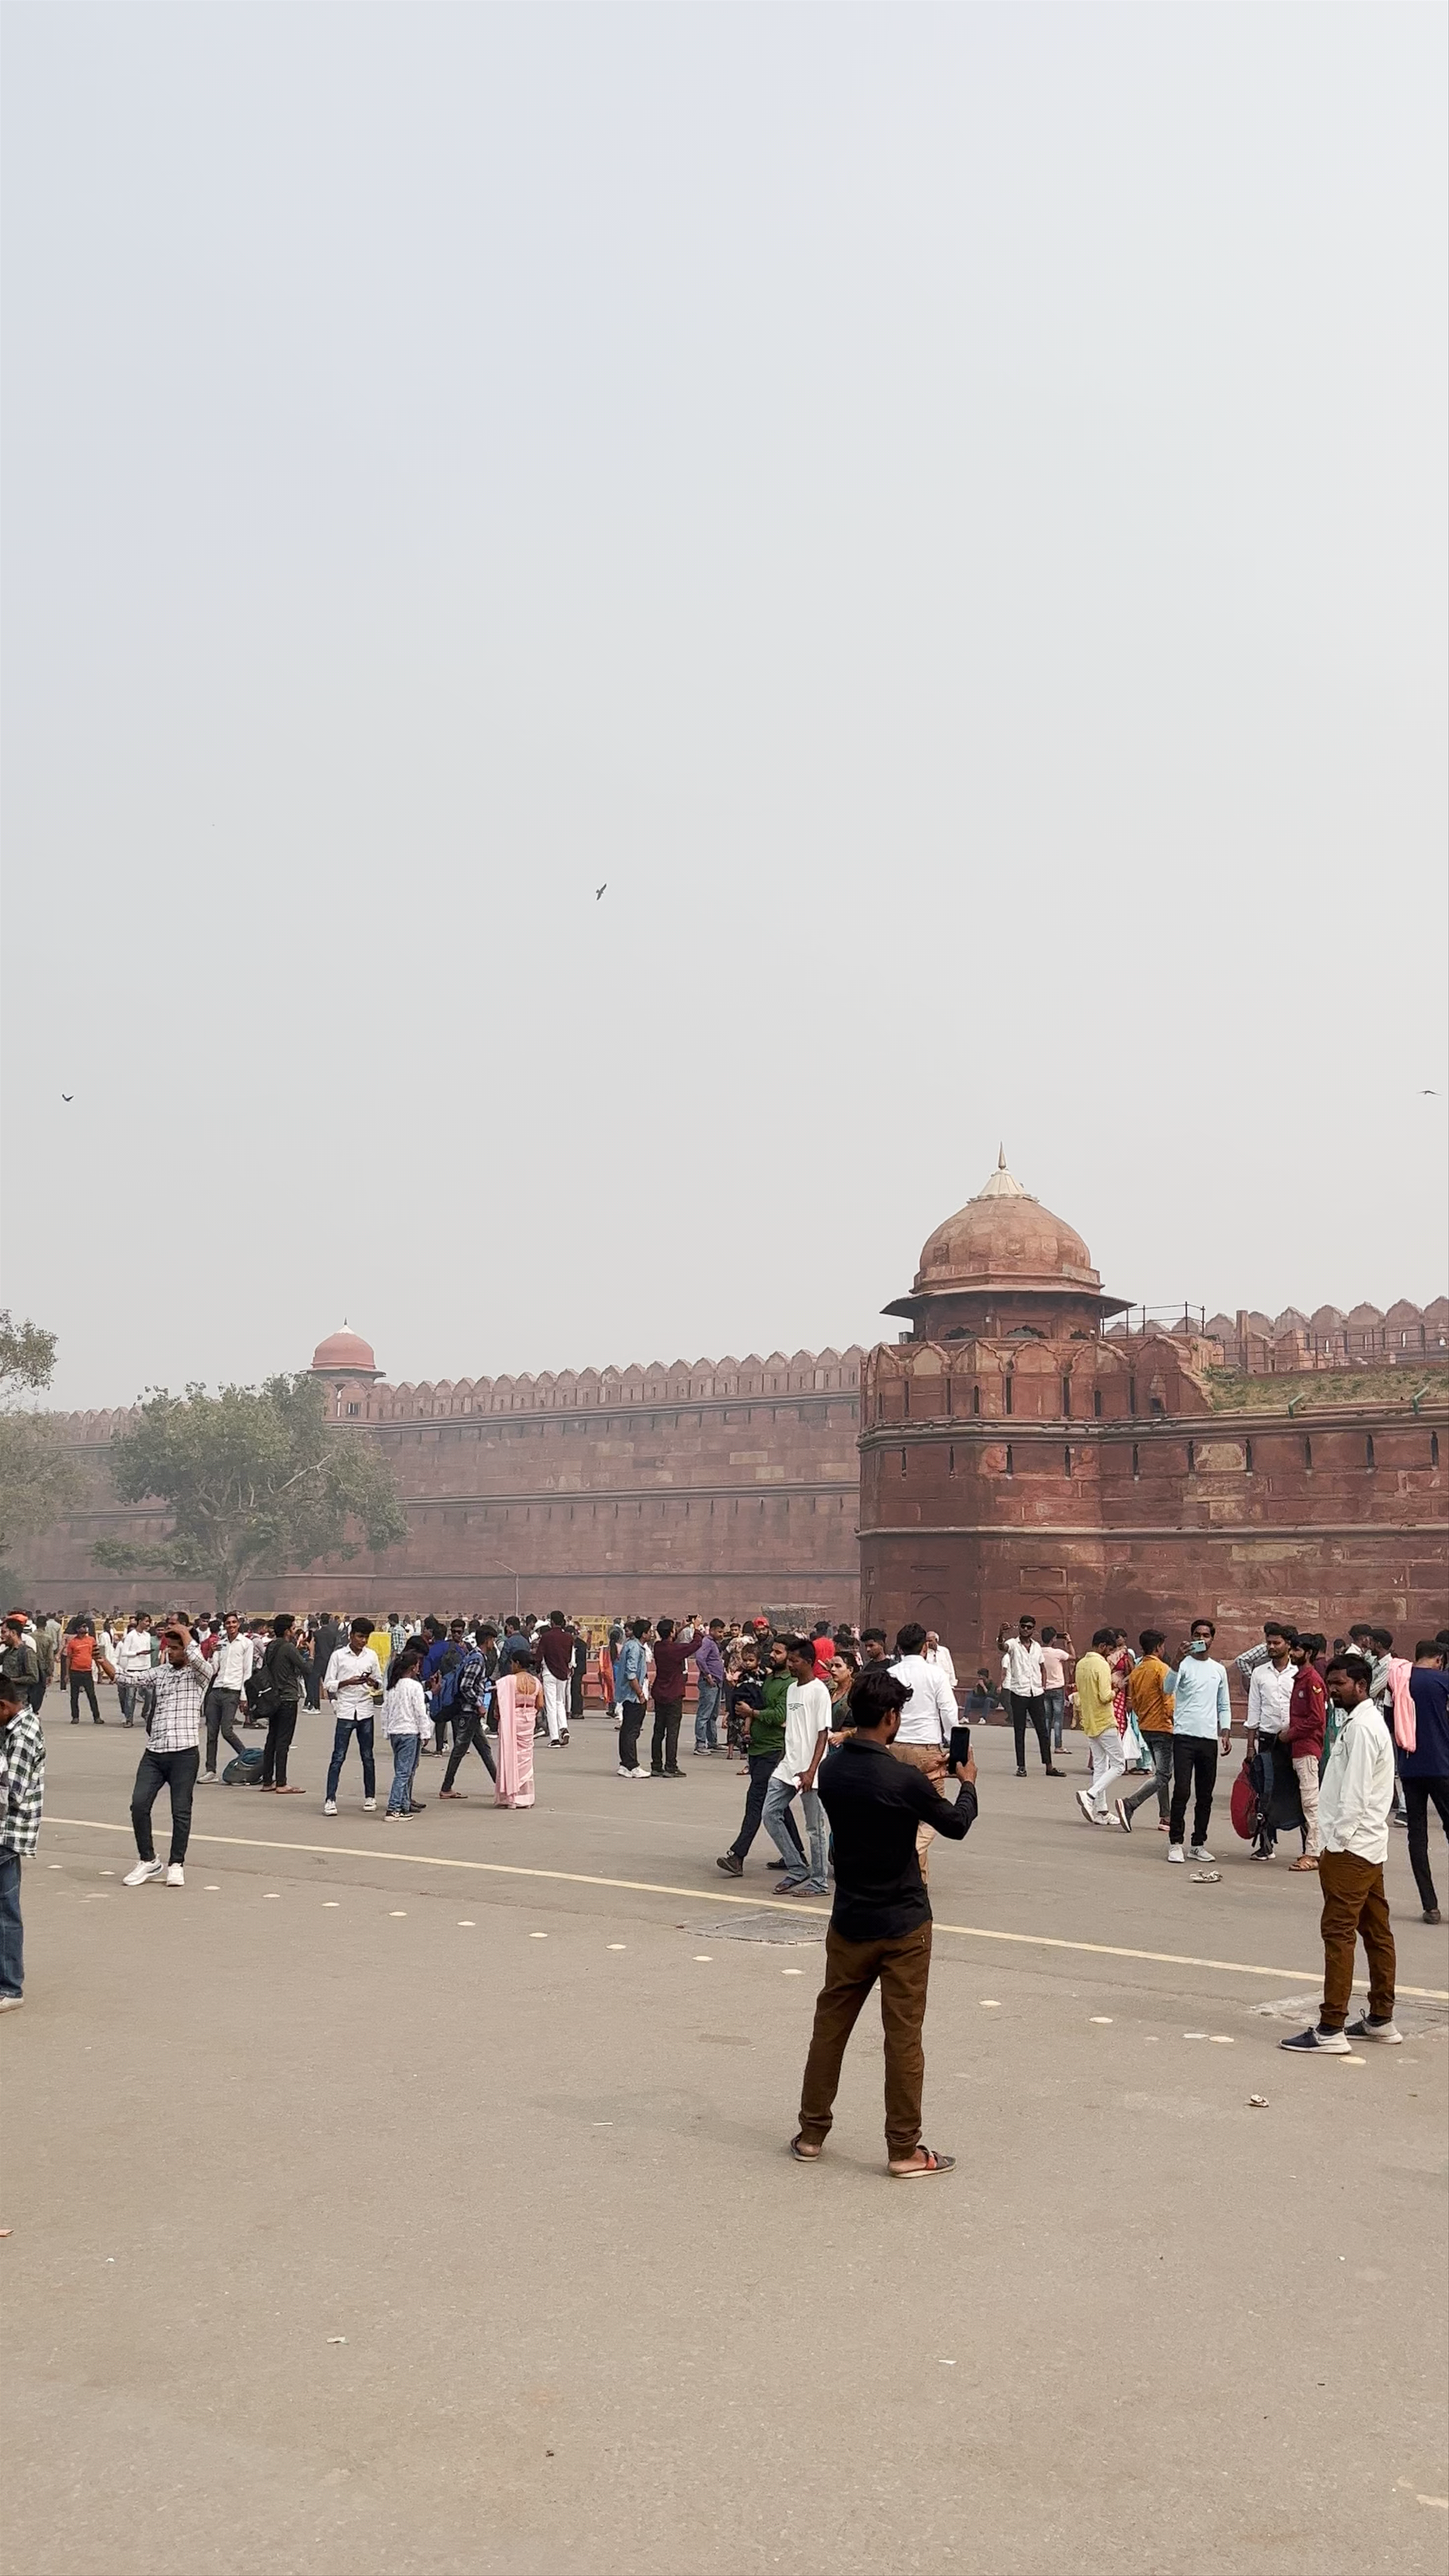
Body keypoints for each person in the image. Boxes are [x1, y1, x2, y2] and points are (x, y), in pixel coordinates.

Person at [790, 1662, 977, 2178]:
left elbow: (873, 1777)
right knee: (903, 2037)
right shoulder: (906, 1781)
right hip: (903, 1922)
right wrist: (966, 1783)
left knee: (831, 2026)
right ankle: (904, 2147)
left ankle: (811, 2132)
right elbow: (955, 1824)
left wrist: (920, 1778)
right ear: (893, 1717)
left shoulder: (833, 1769)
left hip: (851, 1916)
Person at [1281, 1654, 1400, 2053]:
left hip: (1352, 1847)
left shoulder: (1364, 1728)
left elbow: (1356, 1794)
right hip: (1366, 1845)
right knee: (1375, 1929)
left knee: (1339, 1932)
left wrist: (1337, 1842)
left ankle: (1331, 2027)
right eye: (1331, 1682)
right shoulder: (1359, 1723)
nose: (1332, 1689)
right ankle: (1382, 2016)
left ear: (1362, 1686)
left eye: (1340, 1683)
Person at [122, 1619, 212, 1888]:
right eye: (169, 1647)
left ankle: (177, 1863)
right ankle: (148, 1859)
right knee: (139, 1804)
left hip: (184, 1752)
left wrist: (185, 1633)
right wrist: (103, 1662)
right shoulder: (161, 1672)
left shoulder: (199, 1675)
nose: (170, 1652)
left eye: (175, 1648)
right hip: (155, 1752)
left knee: (180, 1811)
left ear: (186, 1648)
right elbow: (131, 1679)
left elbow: (200, 1661)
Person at [716, 1638, 806, 1878]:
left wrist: (752, 1713)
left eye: (778, 1652)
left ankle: (738, 1856)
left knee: (756, 1802)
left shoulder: (790, 1685)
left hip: (772, 1750)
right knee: (778, 1805)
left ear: (790, 1657)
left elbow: (779, 1715)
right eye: (773, 1651)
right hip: (757, 1749)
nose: (773, 1655)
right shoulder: (768, 1680)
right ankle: (796, 1854)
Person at [769, 1638, 833, 1896]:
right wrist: (785, 1758)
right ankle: (797, 1868)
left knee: (814, 1827)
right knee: (770, 1814)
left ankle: (819, 1881)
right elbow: (793, 1729)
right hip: (789, 1766)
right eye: (790, 1660)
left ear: (809, 1661)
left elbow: (822, 1733)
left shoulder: (819, 1691)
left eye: (795, 1660)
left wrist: (812, 1770)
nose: (791, 1664)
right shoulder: (793, 1690)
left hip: (811, 1770)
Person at [1166, 1619, 1232, 1863]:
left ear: (1213, 1639)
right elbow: (1167, 1689)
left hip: (1207, 1738)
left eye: (1206, 1634)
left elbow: (1223, 1703)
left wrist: (1225, 1728)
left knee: (1206, 1794)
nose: (1201, 1638)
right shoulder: (1184, 1664)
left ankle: (1198, 1843)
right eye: (1197, 1634)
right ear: (1191, 1637)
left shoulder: (1218, 1669)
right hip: (1184, 1735)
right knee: (1182, 1790)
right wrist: (1175, 1662)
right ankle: (1175, 1842)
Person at [0, 1672, 45, 2010]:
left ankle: (10, 1987)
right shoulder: (15, 1726)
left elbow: (10, 1792)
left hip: (7, 1832)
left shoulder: (23, 1734)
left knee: (6, 1913)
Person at [1401, 1641, 1449, 1924]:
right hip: (1442, 1765)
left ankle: (1430, 1905)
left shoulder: (1398, 1681)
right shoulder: (1443, 1680)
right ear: (1440, 1659)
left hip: (1410, 1766)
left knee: (1417, 1836)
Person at [1244, 1624, 1297, 1858]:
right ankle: (1266, 1845)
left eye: (1277, 1643)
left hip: (1294, 1739)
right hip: (1267, 1739)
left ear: (1288, 1645)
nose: (1272, 1647)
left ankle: (1309, 1846)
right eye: (1269, 1643)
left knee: (1300, 1791)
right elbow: (1253, 1710)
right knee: (1265, 1793)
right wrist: (1249, 1747)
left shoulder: (1298, 1673)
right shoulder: (1260, 1673)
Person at [321, 1618, 383, 1814]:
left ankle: (370, 1796)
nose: (363, 1641)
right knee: (339, 1756)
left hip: (365, 1709)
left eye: (366, 1638)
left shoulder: (371, 1656)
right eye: (360, 1637)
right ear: (351, 1636)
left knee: (368, 1757)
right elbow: (328, 1684)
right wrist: (347, 1682)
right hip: (346, 1710)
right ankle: (330, 1799)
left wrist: (372, 1682)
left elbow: (380, 1682)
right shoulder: (339, 1656)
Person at [1073, 1629, 1128, 1822]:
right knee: (1119, 1764)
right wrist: (1117, 1688)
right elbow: (1105, 1697)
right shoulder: (1101, 1665)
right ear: (1103, 1647)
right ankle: (1090, 1796)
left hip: (1089, 1720)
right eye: (1110, 1650)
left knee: (1101, 1765)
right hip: (1104, 1720)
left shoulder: (1081, 1664)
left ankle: (1101, 1811)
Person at [998, 1614, 1061, 1777]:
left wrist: (1044, 1685)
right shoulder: (1013, 1644)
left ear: (1034, 1630)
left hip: (1036, 1692)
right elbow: (1002, 1647)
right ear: (1019, 1627)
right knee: (1020, 1731)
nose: (1026, 1629)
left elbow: (1042, 1668)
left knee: (1043, 1730)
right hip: (1019, 1692)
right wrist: (1000, 1634)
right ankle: (1021, 1766)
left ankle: (1049, 1766)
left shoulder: (1037, 1647)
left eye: (1029, 1627)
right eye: (1023, 1626)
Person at [255, 1613, 312, 1793]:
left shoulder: (272, 1646)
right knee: (283, 1742)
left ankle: (267, 1780)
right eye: (294, 1629)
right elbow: (307, 1670)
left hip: (273, 1698)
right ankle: (282, 1782)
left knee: (272, 1739)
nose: (295, 1632)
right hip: (288, 1698)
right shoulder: (288, 1648)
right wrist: (311, 1653)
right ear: (288, 1631)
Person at [1284, 1635, 1327, 1872]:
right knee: (1306, 1801)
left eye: (1297, 1650)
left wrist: (1291, 1734)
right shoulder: (1301, 1678)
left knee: (1311, 1802)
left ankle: (1313, 1853)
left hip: (1307, 1747)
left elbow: (1317, 1719)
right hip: (1300, 1747)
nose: (1292, 1653)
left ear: (1309, 1653)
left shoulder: (1312, 1680)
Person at [440, 1625, 498, 1797]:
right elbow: (467, 1685)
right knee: (460, 1750)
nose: (493, 1644)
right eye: (493, 1640)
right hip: (469, 1711)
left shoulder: (472, 1656)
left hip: (470, 1711)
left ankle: (500, 1784)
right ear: (488, 1640)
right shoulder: (478, 1659)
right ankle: (446, 1787)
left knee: (484, 1749)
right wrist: (479, 1704)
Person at [200, 1612, 254, 1781]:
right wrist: (212, 1653)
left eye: (234, 1623)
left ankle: (249, 1758)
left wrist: (244, 1696)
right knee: (212, 1733)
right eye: (228, 1623)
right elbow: (214, 1669)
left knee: (227, 1731)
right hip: (217, 1690)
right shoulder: (221, 1644)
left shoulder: (246, 1644)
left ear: (238, 1624)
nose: (231, 1625)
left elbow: (247, 1671)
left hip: (233, 1690)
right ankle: (211, 1770)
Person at [383, 1646, 433, 1815]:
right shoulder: (414, 1687)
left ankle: (404, 1805)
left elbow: (386, 1711)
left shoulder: (393, 1687)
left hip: (396, 1731)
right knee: (404, 1773)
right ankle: (394, 1808)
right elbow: (420, 1712)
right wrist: (426, 1733)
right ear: (413, 1668)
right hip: (410, 1732)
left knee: (404, 1770)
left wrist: (386, 1731)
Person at [648, 1617, 699, 1778]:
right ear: (671, 1633)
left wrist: (685, 1627)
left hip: (660, 1693)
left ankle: (656, 1765)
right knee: (672, 1731)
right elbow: (696, 1644)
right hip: (674, 1693)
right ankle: (671, 1765)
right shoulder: (675, 1650)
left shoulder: (658, 1647)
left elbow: (671, 1640)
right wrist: (696, 1628)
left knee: (658, 1731)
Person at [494, 1649, 541, 1810]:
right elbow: (540, 1705)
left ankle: (511, 1797)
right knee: (526, 1758)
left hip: (513, 1720)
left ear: (518, 1664)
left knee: (510, 1756)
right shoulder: (537, 1683)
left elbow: (500, 1702)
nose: (511, 1666)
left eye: (513, 1663)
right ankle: (525, 1798)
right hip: (529, 1721)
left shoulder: (509, 1681)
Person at [613, 1619, 651, 1777]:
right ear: (644, 1633)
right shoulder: (635, 1648)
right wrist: (641, 1694)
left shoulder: (632, 1645)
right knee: (632, 1731)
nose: (652, 1634)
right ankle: (632, 1765)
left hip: (628, 1694)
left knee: (628, 1730)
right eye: (650, 1631)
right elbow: (631, 1674)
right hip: (633, 1695)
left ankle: (625, 1764)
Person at [537, 1612, 575, 1747]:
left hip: (549, 1673)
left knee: (551, 1705)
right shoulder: (569, 1637)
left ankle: (554, 1738)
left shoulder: (546, 1637)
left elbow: (539, 1655)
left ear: (552, 1622)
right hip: (563, 1673)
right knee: (560, 1702)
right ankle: (564, 1728)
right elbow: (569, 1658)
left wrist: (537, 1670)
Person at [693, 1619, 728, 1755]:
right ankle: (700, 1744)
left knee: (713, 1714)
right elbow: (700, 1659)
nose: (722, 1634)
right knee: (704, 1714)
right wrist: (708, 1675)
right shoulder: (707, 1642)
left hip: (717, 1682)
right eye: (719, 1631)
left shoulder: (713, 1643)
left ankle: (713, 1742)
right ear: (712, 1630)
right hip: (709, 1682)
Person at [61, 1620, 104, 1726]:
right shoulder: (73, 1643)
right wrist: (67, 1674)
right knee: (74, 1697)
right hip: (75, 1672)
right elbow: (69, 1659)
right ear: (78, 1629)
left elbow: (96, 1655)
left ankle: (97, 1717)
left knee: (92, 1696)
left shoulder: (91, 1640)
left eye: (86, 1627)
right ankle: (75, 1717)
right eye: (83, 1627)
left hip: (88, 1672)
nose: (85, 1629)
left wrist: (100, 1670)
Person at [1038, 1627, 1071, 1753]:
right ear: (1054, 1639)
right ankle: (1058, 1746)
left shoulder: (1038, 1652)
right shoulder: (1058, 1653)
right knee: (1058, 1719)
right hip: (1057, 1688)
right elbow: (1073, 1657)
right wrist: (1069, 1642)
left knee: (1047, 1719)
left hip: (1044, 1688)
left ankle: (1045, 1745)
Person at [1, 1617, 40, 1709]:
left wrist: (11, 1680)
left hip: (19, 1701)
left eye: (4, 1632)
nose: (2, 1636)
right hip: (5, 1698)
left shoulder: (27, 1652)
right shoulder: (8, 1651)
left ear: (13, 1633)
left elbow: (34, 1678)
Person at [308, 1611, 342, 1712]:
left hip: (319, 1659)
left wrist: (312, 1656)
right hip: (330, 1659)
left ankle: (316, 1706)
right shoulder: (333, 1633)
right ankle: (333, 1700)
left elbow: (313, 1646)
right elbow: (335, 1645)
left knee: (314, 1683)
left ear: (320, 1621)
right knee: (329, 1682)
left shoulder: (317, 1633)